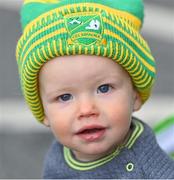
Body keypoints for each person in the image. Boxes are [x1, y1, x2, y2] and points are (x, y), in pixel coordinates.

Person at [16, 0, 174, 178]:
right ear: (43, 110)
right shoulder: (59, 157)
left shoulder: (148, 166)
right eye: (65, 97)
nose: (86, 110)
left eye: (104, 88)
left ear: (135, 94)